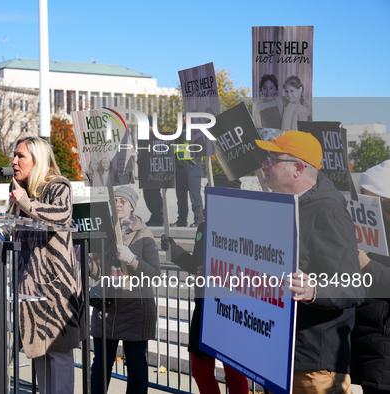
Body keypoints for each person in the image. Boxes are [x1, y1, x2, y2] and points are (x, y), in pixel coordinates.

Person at [254, 130, 365, 393]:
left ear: (298, 168)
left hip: (314, 366)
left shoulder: (327, 212)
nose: (265, 164)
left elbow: (354, 287)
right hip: (281, 355)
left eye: (273, 158)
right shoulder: (288, 207)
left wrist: (313, 289)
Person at [0, 136, 85, 393]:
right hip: (30, 286)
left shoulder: (58, 185)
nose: (14, 161)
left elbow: (61, 216)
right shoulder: (22, 191)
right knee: (39, 352)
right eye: (15, 155)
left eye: (21, 156)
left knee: (58, 351)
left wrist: (25, 202)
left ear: (37, 159)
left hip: (55, 287)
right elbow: (12, 227)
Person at [161, 174, 248, 394]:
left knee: (234, 374)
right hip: (204, 308)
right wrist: (174, 251)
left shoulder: (244, 228)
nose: (209, 197)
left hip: (231, 310)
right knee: (200, 371)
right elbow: (196, 265)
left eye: (214, 192)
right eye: (208, 191)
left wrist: (220, 273)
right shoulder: (203, 227)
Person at [90, 186, 160, 394]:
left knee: (136, 367)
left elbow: (155, 274)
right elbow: (98, 272)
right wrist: (85, 260)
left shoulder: (144, 234)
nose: (118, 204)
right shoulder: (105, 231)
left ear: (131, 206)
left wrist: (132, 259)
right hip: (107, 308)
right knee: (100, 365)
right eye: (116, 200)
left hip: (135, 310)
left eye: (123, 201)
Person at [351, 160, 390, 394]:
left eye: (367, 196)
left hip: (383, 344)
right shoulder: (377, 228)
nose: (362, 201)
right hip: (370, 340)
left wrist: (367, 264)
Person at [172, 154, 203, 228]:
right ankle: (182, 220)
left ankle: (199, 219)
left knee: (195, 196)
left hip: (192, 165)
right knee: (180, 196)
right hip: (179, 167)